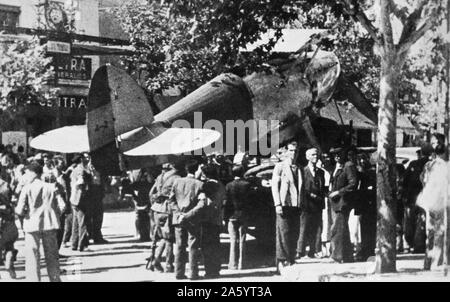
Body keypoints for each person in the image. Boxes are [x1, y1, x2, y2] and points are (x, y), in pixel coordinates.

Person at [16, 161, 66, 282]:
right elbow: (63, 206)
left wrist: (22, 212)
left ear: (33, 173)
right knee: (52, 256)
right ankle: (55, 279)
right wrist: (55, 214)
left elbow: (19, 210)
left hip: (32, 226)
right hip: (50, 224)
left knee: (32, 257)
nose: (26, 176)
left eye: (27, 173)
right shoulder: (51, 187)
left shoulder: (26, 188)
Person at [185, 164, 225, 278]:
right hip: (217, 217)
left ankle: (210, 270)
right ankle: (215, 269)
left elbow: (202, 199)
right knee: (215, 244)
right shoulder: (220, 184)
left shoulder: (206, 185)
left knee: (206, 246)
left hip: (207, 218)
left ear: (204, 174)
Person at [168, 160, 204, 280]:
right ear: (197, 169)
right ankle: (193, 273)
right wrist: (188, 215)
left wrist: (179, 214)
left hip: (178, 219)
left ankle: (179, 272)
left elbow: (171, 200)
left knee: (179, 246)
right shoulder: (199, 184)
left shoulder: (177, 182)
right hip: (193, 219)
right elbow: (201, 204)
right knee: (193, 246)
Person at [417, 135, 448, 270]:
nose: (436, 145)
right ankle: (430, 263)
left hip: (445, 203)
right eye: (434, 142)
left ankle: (439, 263)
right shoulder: (429, 165)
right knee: (431, 232)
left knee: (442, 232)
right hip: (432, 204)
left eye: (438, 142)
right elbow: (423, 181)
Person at [271, 141, 301, 272]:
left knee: (294, 232)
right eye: (291, 150)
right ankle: (281, 260)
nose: (293, 153)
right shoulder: (280, 166)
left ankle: (291, 257)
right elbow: (274, 186)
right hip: (283, 204)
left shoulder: (299, 168)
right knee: (283, 232)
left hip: (296, 205)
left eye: (295, 151)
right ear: (286, 152)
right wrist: (277, 203)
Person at [148, 163, 180, 273]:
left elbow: (151, 193)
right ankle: (168, 265)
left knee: (163, 237)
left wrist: (154, 203)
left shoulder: (159, 177)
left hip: (157, 208)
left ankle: (156, 259)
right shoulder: (176, 178)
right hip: (168, 209)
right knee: (170, 238)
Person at [329, 147, 358, 263]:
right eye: (334, 154)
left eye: (338, 154)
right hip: (336, 202)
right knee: (342, 228)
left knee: (338, 229)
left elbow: (353, 183)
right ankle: (347, 256)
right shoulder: (337, 167)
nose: (336, 156)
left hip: (343, 202)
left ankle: (338, 255)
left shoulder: (348, 165)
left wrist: (339, 192)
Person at [402, 145, 431, 253]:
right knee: (421, 222)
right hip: (424, 197)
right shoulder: (430, 164)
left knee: (410, 222)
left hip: (412, 197)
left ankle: (408, 244)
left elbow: (405, 180)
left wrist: (404, 194)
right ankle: (418, 245)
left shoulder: (414, 164)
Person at [297, 148, 325, 259]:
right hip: (306, 205)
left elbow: (322, 188)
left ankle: (314, 250)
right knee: (304, 228)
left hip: (318, 205)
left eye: (317, 154)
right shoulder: (303, 171)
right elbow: (302, 189)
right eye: (313, 155)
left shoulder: (321, 172)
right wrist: (313, 196)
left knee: (317, 228)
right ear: (307, 157)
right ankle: (300, 251)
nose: (315, 157)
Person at [224, 165, 251, 270]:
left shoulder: (228, 185)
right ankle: (242, 263)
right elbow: (250, 202)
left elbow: (227, 203)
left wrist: (225, 216)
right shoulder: (247, 185)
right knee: (243, 239)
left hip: (232, 215)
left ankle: (233, 263)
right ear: (242, 173)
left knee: (233, 240)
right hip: (243, 214)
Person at [354, 153, 376, 261]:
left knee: (368, 229)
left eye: (363, 159)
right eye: (360, 160)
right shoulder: (360, 174)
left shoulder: (370, 173)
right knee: (363, 229)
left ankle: (368, 251)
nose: (362, 162)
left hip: (369, 206)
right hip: (362, 206)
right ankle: (365, 250)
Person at [70, 154, 92, 252]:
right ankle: (81, 245)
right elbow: (81, 182)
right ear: (81, 159)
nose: (87, 159)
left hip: (74, 199)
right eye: (85, 158)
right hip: (80, 198)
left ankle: (74, 244)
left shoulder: (75, 169)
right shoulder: (81, 170)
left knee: (75, 223)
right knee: (82, 223)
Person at [0, 167, 18, 279]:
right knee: (9, 244)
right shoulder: (5, 184)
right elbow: (12, 199)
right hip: (7, 218)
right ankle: (9, 260)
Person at [85, 154, 107, 244]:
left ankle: (97, 236)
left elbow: (102, 180)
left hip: (98, 193)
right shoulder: (85, 168)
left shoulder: (100, 168)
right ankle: (88, 235)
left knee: (98, 216)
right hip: (89, 194)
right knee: (88, 216)